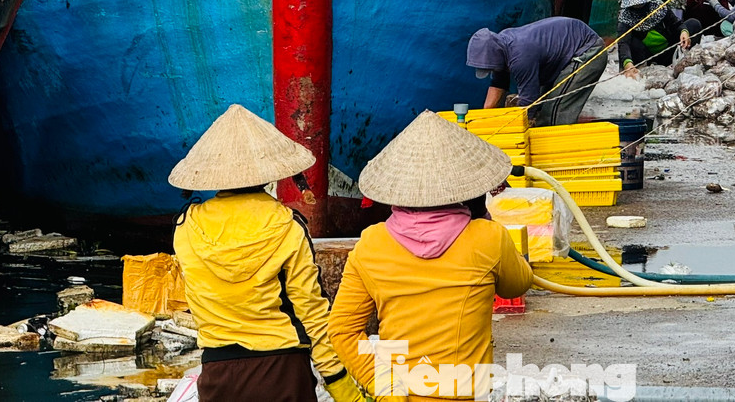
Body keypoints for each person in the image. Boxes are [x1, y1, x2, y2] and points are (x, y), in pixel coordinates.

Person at [329, 112, 533, 401]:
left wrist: (384, 387)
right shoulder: (488, 238)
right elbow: (518, 284)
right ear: (469, 189)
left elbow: (342, 331)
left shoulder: (371, 245)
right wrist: (485, 220)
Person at [171, 105, 363, 402]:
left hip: (218, 375)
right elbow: (311, 312)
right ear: (267, 172)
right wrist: (341, 385)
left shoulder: (185, 227)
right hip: (284, 373)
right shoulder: (288, 225)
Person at [466, 17, 606, 127]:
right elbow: (498, 84)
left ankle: (554, 152)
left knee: (554, 111)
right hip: (565, 54)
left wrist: (512, 131)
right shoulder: (500, 47)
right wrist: (483, 120)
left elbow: (529, 100)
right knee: (543, 107)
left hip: (587, 50)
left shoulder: (520, 56)